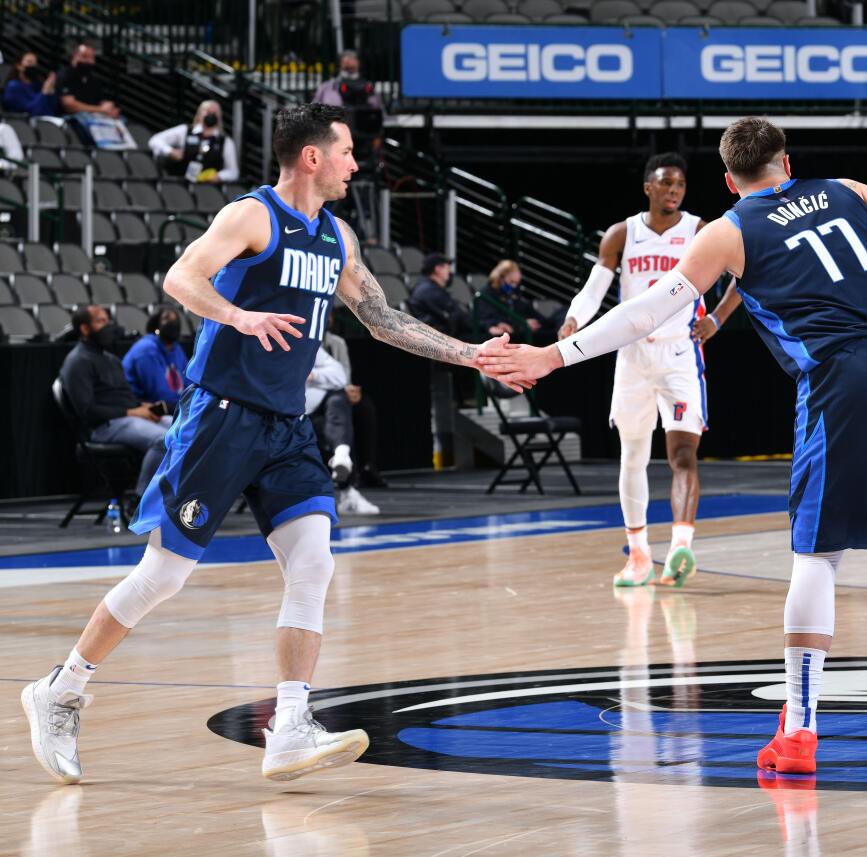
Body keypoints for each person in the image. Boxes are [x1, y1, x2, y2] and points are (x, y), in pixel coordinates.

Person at [477, 117, 867, 774]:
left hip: (843, 372)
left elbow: (649, 310)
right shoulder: (844, 189)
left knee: (816, 555)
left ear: (730, 180)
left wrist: (554, 357)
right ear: (788, 164)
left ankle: (799, 729)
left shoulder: (727, 230)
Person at [22, 103, 510, 786]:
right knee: (164, 575)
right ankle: (62, 688)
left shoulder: (337, 235)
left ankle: (289, 723)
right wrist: (237, 314)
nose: (353, 163)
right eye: (345, 151)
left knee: (314, 561)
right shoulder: (252, 216)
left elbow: (382, 317)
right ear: (312, 156)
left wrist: (472, 355)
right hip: (221, 415)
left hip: (285, 426)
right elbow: (182, 276)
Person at [558, 152, 740, 589]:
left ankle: (681, 546)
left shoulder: (700, 230)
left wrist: (716, 317)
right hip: (633, 357)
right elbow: (595, 288)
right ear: (648, 187)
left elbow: (743, 274)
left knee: (682, 455)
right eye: (666, 183)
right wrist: (572, 322)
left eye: (679, 184)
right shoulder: (622, 233)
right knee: (633, 457)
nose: (674, 191)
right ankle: (639, 556)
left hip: (680, 354)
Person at [59, 305, 172, 498]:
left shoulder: (110, 359)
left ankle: (178, 495)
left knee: (186, 429)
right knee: (163, 440)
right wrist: (132, 412)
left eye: (108, 320)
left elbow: (122, 397)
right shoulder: (77, 361)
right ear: (85, 329)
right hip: (103, 427)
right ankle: (141, 500)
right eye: (100, 321)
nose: (108, 326)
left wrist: (142, 407)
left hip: (129, 418)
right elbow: (87, 411)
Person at [408, 252, 471, 467]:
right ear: (437, 268)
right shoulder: (427, 291)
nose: (449, 272)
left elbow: (457, 315)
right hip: (434, 352)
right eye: (446, 267)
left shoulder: (435, 290)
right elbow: (457, 316)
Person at [305, 346, 380, 515]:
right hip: (293, 413)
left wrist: (313, 375)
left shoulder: (300, 339)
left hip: (321, 405)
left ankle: (341, 455)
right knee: (330, 430)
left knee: (339, 399)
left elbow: (339, 374)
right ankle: (347, 491)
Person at [324, 329, 387, 488]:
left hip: (338, 391)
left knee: (364, 407)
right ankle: (345, 473)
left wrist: (348, 389)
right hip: (313, 396)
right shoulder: (301, 340)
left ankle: (367, 465)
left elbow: (343, 375)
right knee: (337, 404)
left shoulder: (337, 342)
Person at [148, 100, 239, 184]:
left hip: (207, 187)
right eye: (207, 111)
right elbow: (155, 140)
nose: (211, 115)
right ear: (199, 114)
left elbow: (233, 172)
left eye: (214, 112)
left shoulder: (225, 141)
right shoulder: (185, 131)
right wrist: (170, 151)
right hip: (180, 183)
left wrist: (219, 176)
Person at [122, 307, 189, 411]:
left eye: (176, 320)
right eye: (167, 319)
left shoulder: (176, 348)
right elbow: (158, 394)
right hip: (144, 408)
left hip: (175, 407)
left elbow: (188, 381)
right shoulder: (146, 349)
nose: (172, 323)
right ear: (156, 324)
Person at [475, 259, 550, 344]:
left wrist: (537, 322)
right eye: (511, 282)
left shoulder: (514, 294)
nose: (513, 286)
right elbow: (489, 319)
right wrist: (522, 324)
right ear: (500, 278)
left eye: (516, 283)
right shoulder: (485, 295)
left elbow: (527, 311)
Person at [56, 42, 120, 118]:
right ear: (75, 57)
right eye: (84, 57)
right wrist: (100, 110)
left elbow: (104, 103)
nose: (89, 61)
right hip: (69, 119)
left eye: (91, 58)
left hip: (93, 118)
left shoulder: (95, 79)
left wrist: (111, 110)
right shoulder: (66, 74)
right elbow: (69, 105)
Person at [312, 51, 384, 112]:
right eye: (346, 61)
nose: (349, 63)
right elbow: (314, 110)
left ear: (359, 64)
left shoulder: (368, 87)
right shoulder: (327, 87)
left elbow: (378, 109)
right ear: (340, 64)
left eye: (352, 60)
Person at [2, 51, 57, 117]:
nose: (33, 66)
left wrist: (51, 91)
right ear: (19, 65)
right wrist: (44, 92)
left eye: (35, 63)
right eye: (29, 62)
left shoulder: (37, 85)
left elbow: (50, 111)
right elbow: (31, 111)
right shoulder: (13, 86)